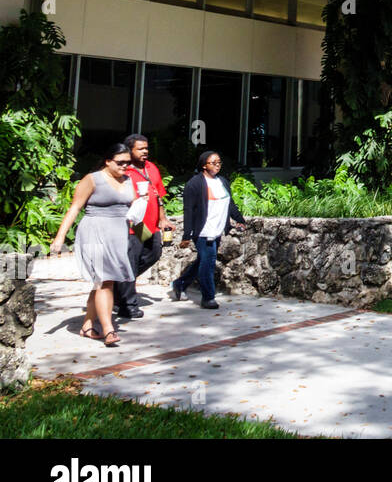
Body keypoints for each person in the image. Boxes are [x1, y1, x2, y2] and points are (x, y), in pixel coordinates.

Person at [49, 144, 137, 347]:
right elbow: (75, 208)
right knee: (104, 280)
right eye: (120, 162)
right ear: (108, 161)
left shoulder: (128, 180)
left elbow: (131, 206)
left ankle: (87, 325)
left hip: (118, 235)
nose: (125, 166)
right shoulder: (93, 179)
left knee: (105, 282)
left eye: (128, 163)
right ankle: (108, 330)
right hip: (94, 232)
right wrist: (60, 237)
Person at [171, 150, 246, 310]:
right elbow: (188, 210)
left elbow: (230, 204)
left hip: (217, 230)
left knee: (203, 261)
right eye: (213, 162)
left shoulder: (222, 182)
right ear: (204, 165)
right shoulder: (194, 184)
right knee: (209, 262)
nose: (217, 165)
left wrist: (240, 219)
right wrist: (187, 234)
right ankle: (208, 297)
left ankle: (180, 284)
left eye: (219, 162)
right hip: (203, 231)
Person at [113, 133, 176, 320]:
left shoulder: (151, 168)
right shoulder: (124, 171)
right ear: (129, 150)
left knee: (154, 253)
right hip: (134, 225)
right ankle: (128, 305)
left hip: (150, 225)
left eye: (146, 148)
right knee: (131, 262)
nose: (145, 151)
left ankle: (120, 285)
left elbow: (158, 195)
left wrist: (163, 219)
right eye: (140, 148)